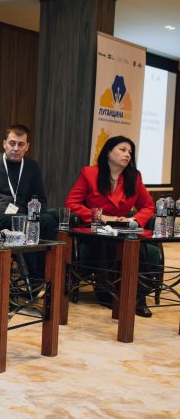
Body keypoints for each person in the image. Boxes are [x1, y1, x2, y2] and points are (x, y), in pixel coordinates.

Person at [64, 135, 156, 317]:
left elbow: (148, 206)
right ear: (108, 152)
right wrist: (101, 217)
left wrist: (134, 220)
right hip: (95, 228)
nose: (127, 155)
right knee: (107, 240)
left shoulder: (134, 177)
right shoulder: (90, 173)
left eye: (130, 152)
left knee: (136, 242)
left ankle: (138, 297)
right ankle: (107, 292)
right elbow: (71, 203)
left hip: (122, 228)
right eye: (122, 150)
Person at [0, 124, 57, 279]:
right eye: (12, 143)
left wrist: (36, 215)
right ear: (4, 144)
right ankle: (33, 278)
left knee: (49, 220)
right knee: (23, 222)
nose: (16, 148)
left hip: (22, 215)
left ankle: (45, 276)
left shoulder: (32, 167)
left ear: (27, 146)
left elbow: (40, 198)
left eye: (21, 144)